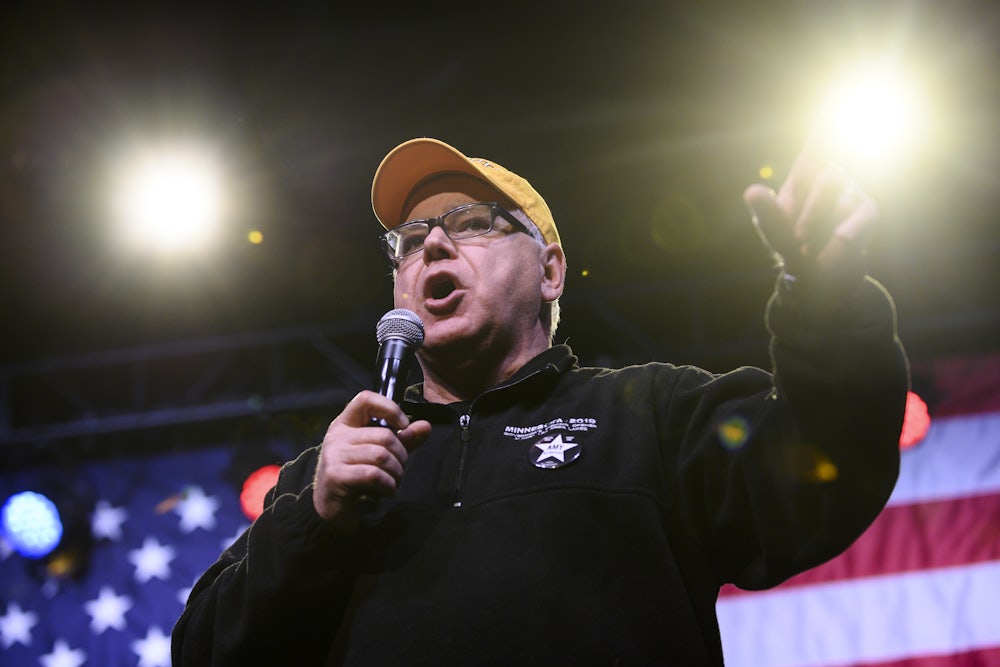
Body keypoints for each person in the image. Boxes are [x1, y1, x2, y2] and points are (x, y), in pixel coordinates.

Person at [172, 136, 908, 665]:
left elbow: (824, 470)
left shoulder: (651, 412)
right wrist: (315, 524)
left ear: (550, 269)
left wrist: (828, 306)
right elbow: (203, 651)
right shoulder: (323, 480)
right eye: (409, 239)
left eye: (470, 223)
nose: (430, 248)